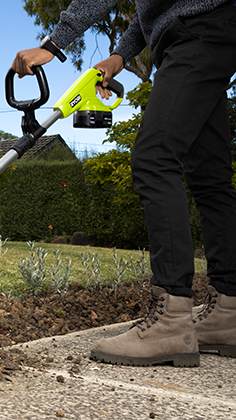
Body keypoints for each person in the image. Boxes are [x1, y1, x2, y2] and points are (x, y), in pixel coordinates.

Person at [12, 0, 236, 367]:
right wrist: (118, 57)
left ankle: (171, 321)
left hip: (199, 29)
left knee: (154, 157)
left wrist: (53, 43)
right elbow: (151, 12)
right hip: (205, 30)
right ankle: (229, 311)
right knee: (209, 176)